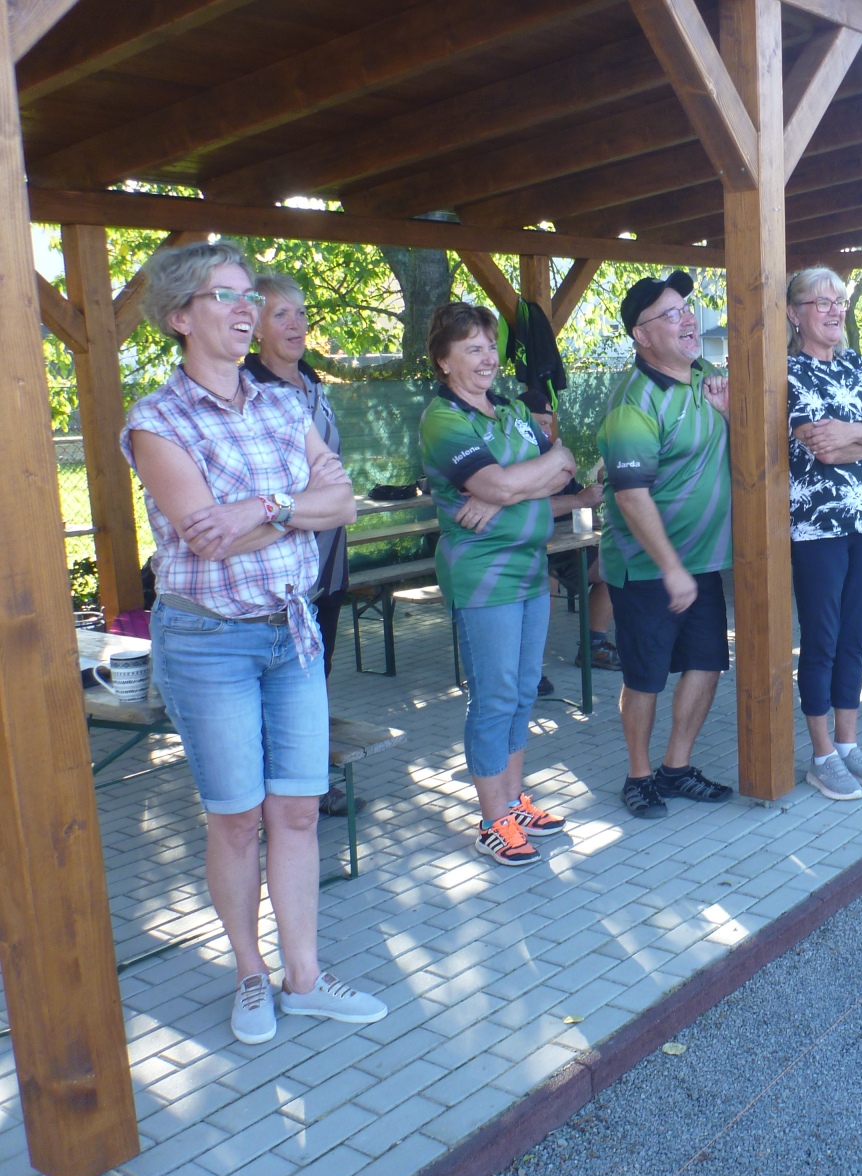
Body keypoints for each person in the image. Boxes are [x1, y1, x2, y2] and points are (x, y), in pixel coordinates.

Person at [121, 240, 384, 1044]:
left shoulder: (282, 405)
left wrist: (261, 507)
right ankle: (249, 974)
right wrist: (291, 509)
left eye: (249, 297)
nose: (247, 310)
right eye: (225, 296)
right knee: (236, 820)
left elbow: (343, 504)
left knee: (296, 813)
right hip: (210, 644)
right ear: (180, 316)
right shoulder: (156, 421)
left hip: (291, 633)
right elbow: (208, 540)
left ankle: (304, 978)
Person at [418, 303, 575, 867]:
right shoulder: (443, 419)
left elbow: (566, 464)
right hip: (484, 576)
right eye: (472, 349)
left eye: (489, 346)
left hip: (530, 568)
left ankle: (512, 801)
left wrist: (506, 492)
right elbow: (504, 483)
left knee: (525, 691)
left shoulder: (510, 409)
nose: (487, 358)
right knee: (495, 696)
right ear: (444, 361)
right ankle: (492, 821)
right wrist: (509, 487)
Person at [598, 270, 735, 818]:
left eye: (686, 309)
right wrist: (670, 567)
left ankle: (676, 768)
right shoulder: (633, 402)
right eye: (671, 314)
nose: (688, 320)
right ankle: (638, 776)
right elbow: (631, 496)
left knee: (706, 663)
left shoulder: (709, 378)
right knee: (645, 677)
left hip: (701, 562)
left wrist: (731, 412)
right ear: (641, 334)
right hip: (646, 568)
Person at [786, 266, 862, 800]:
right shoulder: (788, 372)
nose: (835, 310)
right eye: (821, 302)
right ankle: (822, 756)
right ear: (795, 314)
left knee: (855, 634)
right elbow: (823, 448)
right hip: (818, 526)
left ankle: (849, 744)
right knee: (823, 638)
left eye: (839, 301)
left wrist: (855, 434)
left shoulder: (858, 363)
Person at [243, 273, 355, 816]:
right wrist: (314, 496)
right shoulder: (247, 387)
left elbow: (333, 477)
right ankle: (269, 796)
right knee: (274, 688)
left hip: (327, 562)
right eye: (280, 314)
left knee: (317, 675)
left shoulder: (312, 381)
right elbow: (263, 485)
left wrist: (325, 495)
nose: (296, 325)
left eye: (302, 313)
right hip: (277, 570)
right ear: (254, 326)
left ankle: (310, 782)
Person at [525, 391, 620, 673]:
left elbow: (578, 499)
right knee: (545, 579)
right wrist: (579, 500)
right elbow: (527, 508)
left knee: (615, 565)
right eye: (539, 424)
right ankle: (529, 667)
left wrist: (599, 489)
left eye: (548, 424)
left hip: (568, 547)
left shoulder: (552, 455)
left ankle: (593, 647)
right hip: (528, 549)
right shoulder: (514, 458)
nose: (546, 431)